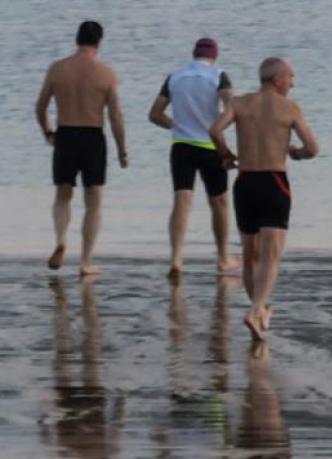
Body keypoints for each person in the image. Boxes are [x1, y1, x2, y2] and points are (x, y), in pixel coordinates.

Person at [210, 57, 318, 341]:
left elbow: (215, 130)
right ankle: (256, 309)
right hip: (274, 183)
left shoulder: (240, 103)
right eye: (290, 77)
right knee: (271, 256)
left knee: (250, 256)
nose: (292, 83)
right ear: (277, 79)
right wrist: (296, 153)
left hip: (245, 183)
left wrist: (225, 154)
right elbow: (313, 147)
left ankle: (259, 312)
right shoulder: (290, 108)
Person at [36, 20, 128, 276]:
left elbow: (40, 107)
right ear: (99, 42)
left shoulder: (57, 69)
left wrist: (48, 133)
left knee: (63, 194)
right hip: (92, 137)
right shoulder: (106, 73)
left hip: (65, 135)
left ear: (77, 40)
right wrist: (122, 150)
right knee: (93, 201)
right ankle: (86, 261)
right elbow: (116, 116)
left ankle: (61, 241)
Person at [149, 38, 240, 277]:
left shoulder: (175, 76)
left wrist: (177, 125)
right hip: (210, 146)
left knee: (182, 201)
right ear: (215, 56)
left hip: (181, 146)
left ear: (194, 54)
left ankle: (176, 259)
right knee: (219, 202)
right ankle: (223, 258)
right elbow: (232, 106)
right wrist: (221, 130)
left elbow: (155, 114)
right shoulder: (219, 75)